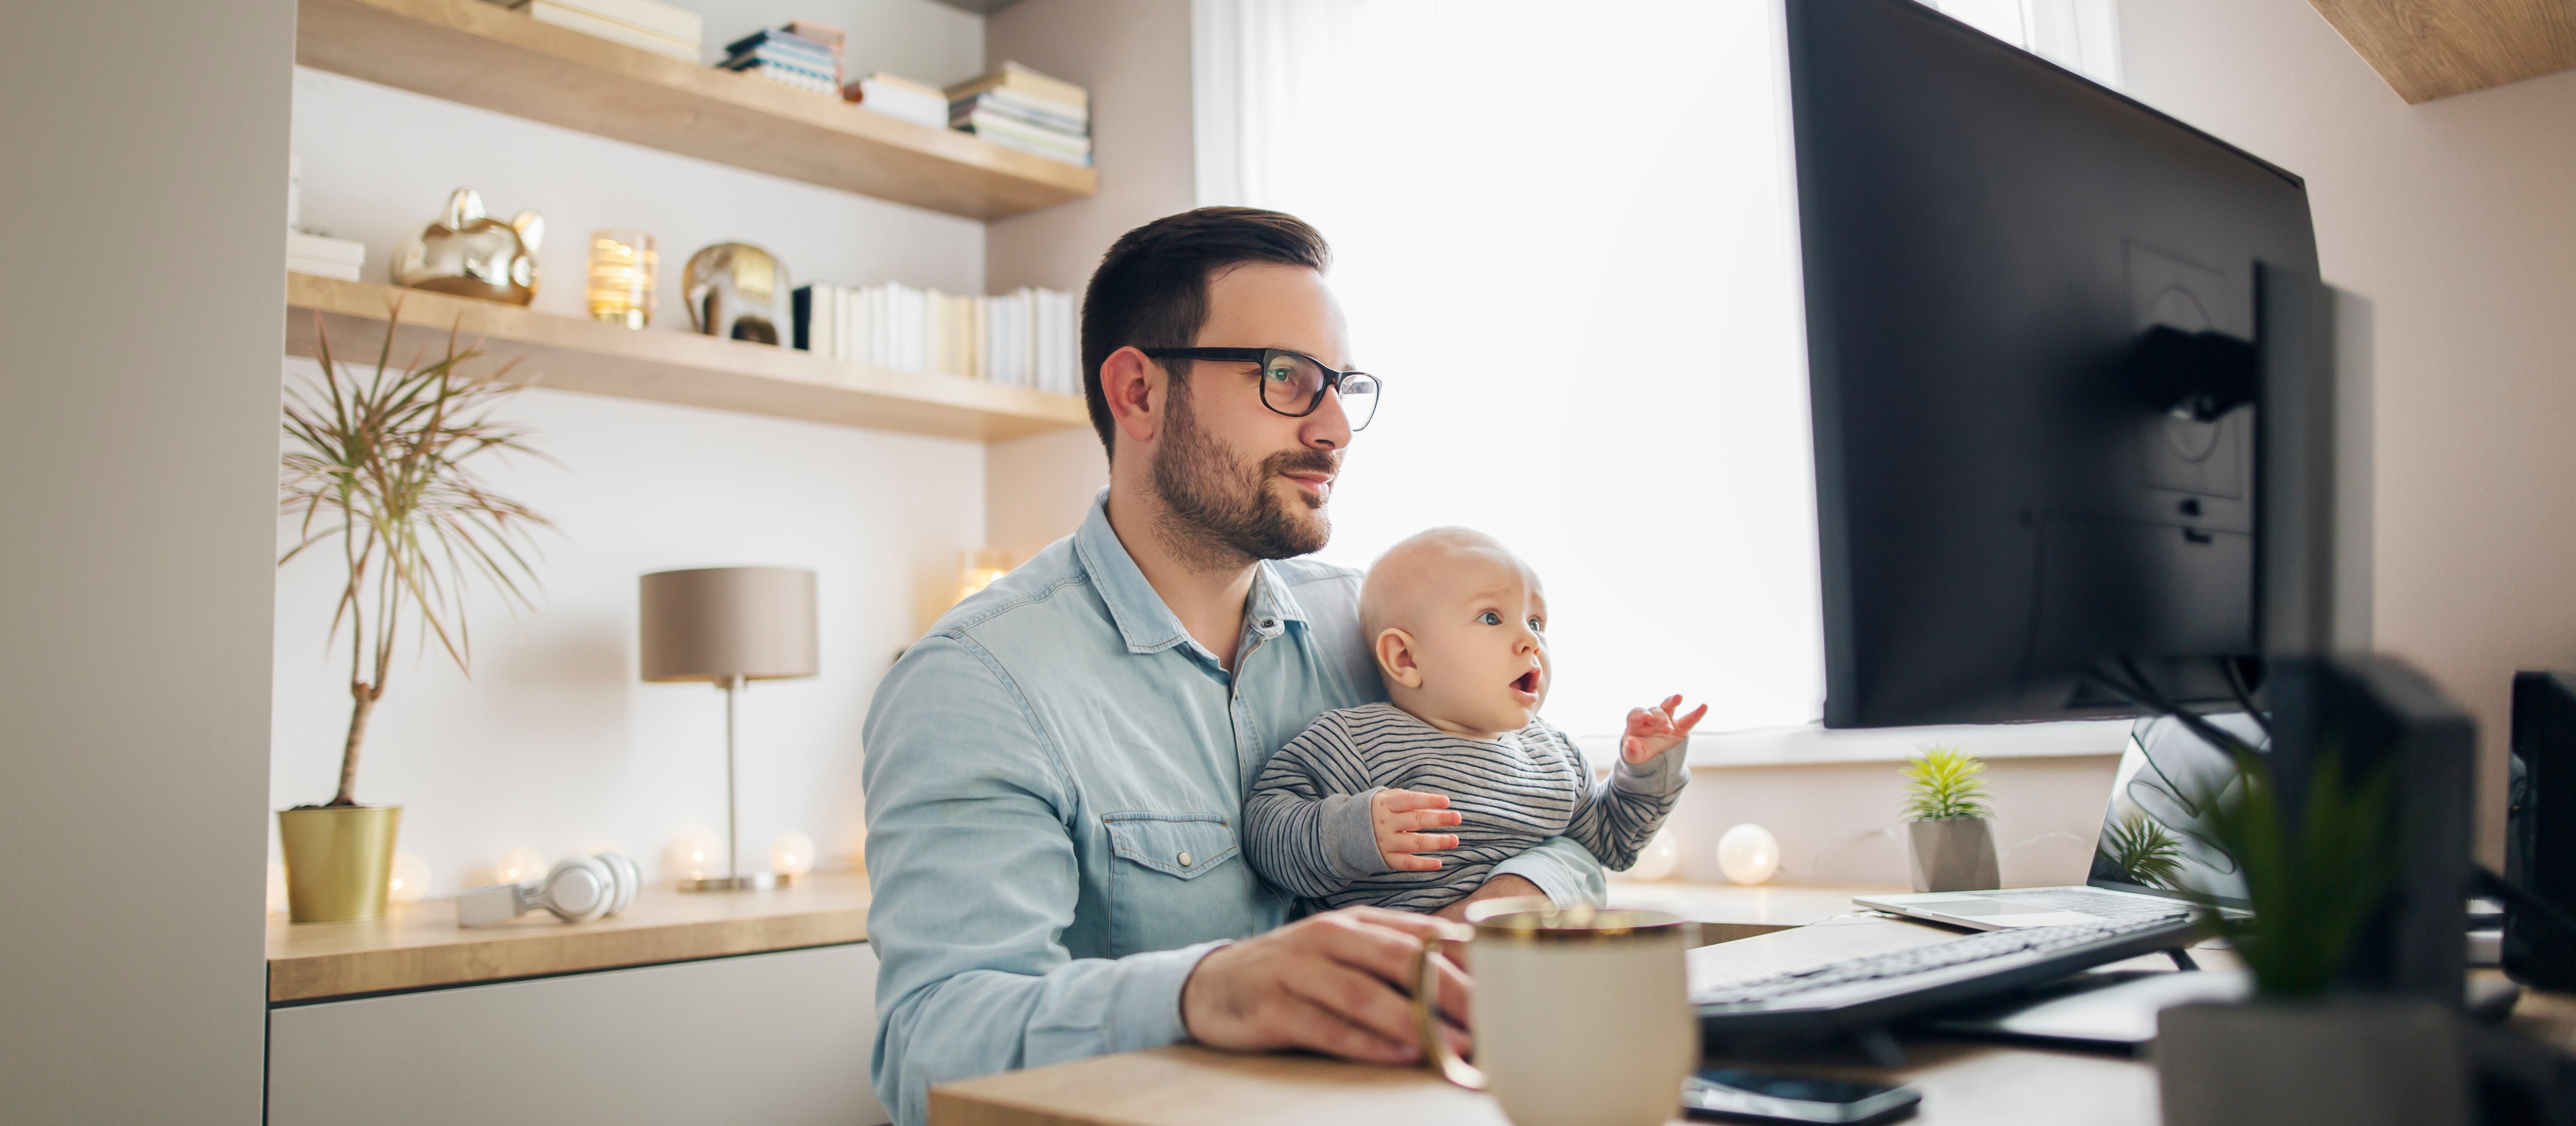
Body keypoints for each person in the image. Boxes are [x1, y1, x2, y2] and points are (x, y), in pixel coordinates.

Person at [859, 208, 1609, 1126]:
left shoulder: (1375, 628)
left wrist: (1504, 902)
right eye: (1288, 378)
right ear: (1138, 392)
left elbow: (1564, 823)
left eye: (1343, 385)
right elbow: (930, 1044)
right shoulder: (975, 682)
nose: (1335, 427)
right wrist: (1207, 990)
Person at [1241, 527, 1704, 914]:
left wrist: (1647, 771)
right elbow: (1265, 829)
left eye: (1537, 623)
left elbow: (1613, 844)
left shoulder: (1556, 757)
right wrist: (1353, 832)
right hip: (1391, 984)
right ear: (1405, 657)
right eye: (1491, 617)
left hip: (1525, 980)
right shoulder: (1355, 742)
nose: (1530, 641)